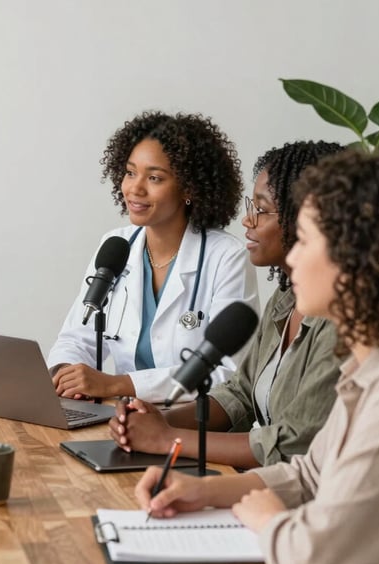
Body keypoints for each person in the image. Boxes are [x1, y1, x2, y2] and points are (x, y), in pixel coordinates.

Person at [135, 150, 379, 564]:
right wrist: (205, 493)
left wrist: (266, 517)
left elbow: (318, 556)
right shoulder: (365, 374)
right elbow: (310, 474)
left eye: (304, 242)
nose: (291, 256)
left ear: (351, 262)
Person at [109, 141, 345, 468]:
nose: (248, 221)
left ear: (311, 220)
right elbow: (238, 393)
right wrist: (163, 421)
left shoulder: (345, 321)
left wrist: (168, 439)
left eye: (261, 210)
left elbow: (295, 442)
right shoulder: (286, 298)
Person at [47, 111, 259, 403]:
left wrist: (119, 384)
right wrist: (68, 372)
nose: (135, 188)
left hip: (191, 426)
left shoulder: (226, 257)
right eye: (130, 172)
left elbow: (227, 373)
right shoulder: (116, 245)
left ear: (189, 187)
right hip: (121, 420)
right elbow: (75, 338)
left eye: (155, 177)